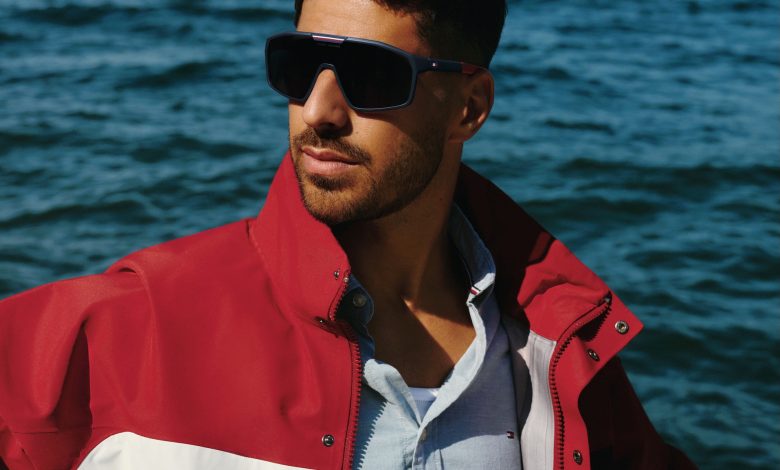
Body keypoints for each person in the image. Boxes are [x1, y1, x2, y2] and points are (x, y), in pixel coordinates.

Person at [0, 0, 696, 468]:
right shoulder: (128, 327)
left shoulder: (559, 356)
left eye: (369, 75)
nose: (318, 110)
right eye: (300, 66)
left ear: (469, 107)